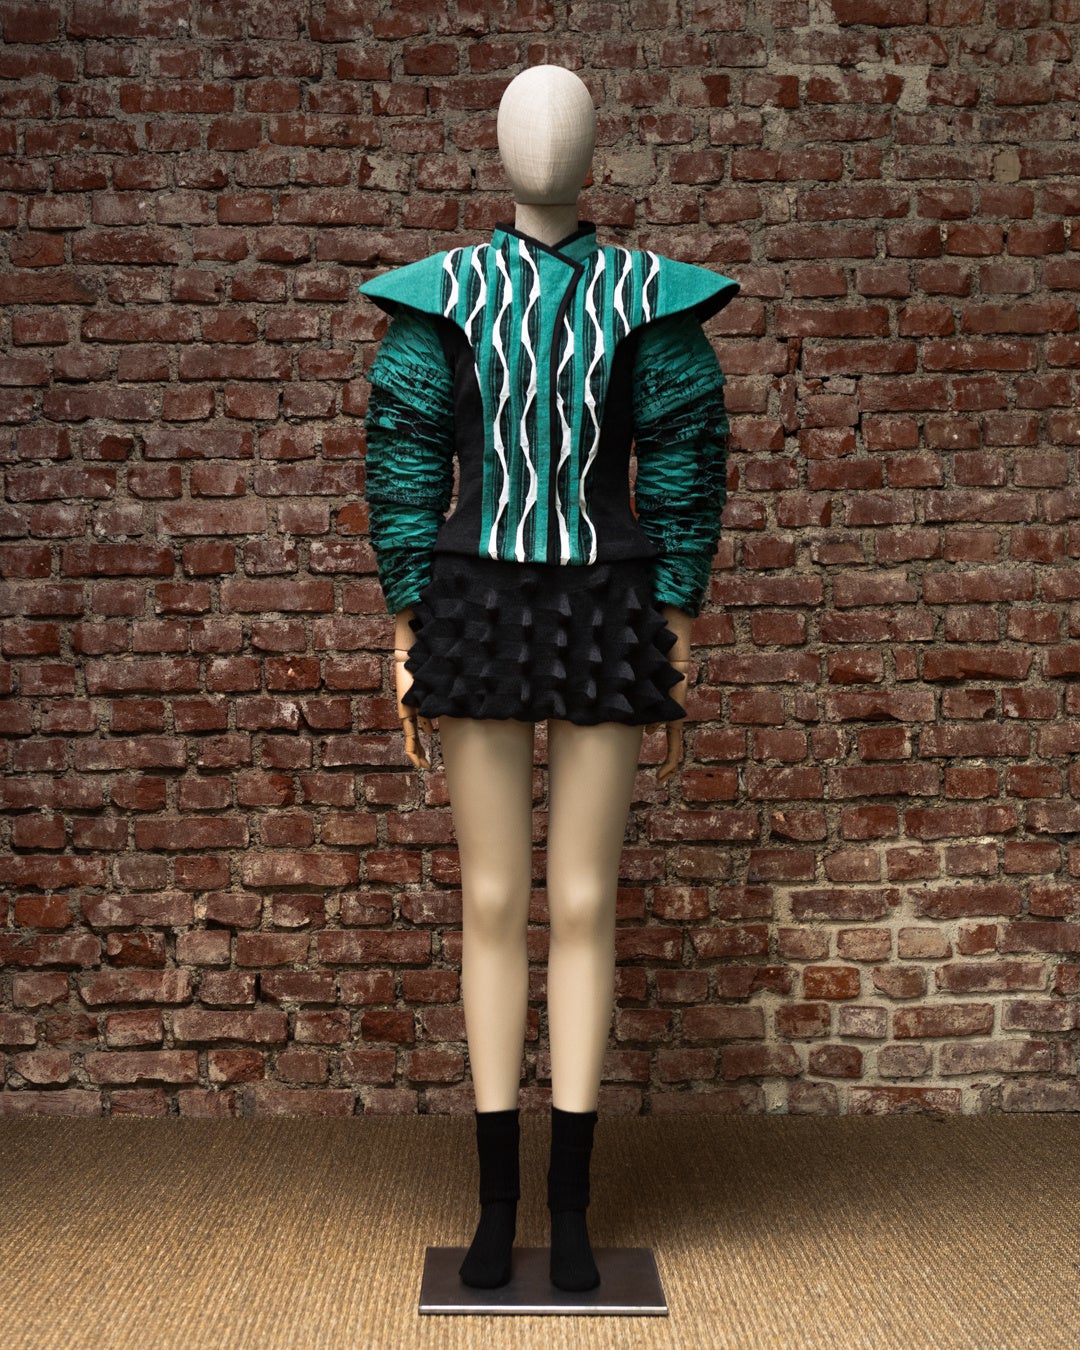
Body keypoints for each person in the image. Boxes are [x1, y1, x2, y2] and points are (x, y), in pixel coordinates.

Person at [356, 64, 739, 1293]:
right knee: (491, 901)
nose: (548, 144)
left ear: (588, 149)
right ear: (506, 147)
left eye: (563, 127)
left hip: (609, 600)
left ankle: (568, 1213)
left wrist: (677, 621)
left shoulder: (649, 298)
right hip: (473, 594)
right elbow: (405, 454)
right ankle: (496, 1209)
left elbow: (683, 457)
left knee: (580, 902)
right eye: (533, 125)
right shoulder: (442, 297)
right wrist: (406, 620)